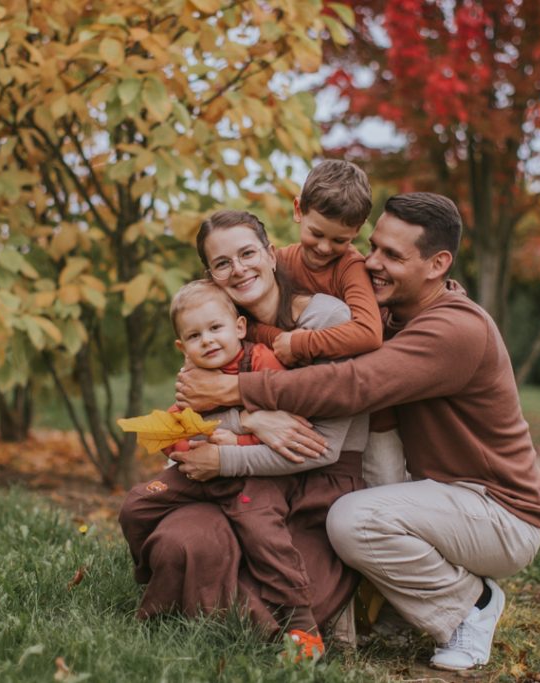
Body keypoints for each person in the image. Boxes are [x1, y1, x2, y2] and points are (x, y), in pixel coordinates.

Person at [175, 193, 540, 672]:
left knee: (353, 519)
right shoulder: (391, 311)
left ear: (438, 264)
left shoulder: (455, 329)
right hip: (437, 494)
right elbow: (267, 264)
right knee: (361, 499)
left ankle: (470, 604)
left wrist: (235, 389)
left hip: (496, 509)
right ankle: (400, 606)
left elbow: (354, 385)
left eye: (392, 256)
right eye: (373, 247)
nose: (369, 263)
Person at [119, 210, 369, 655]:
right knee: (183, 542)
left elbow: (320, 445)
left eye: (248, 253)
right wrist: (248, 421)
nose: (238, 269)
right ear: (210, 274)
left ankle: (292, 629)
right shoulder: (213, 326)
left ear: (271, 255)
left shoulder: (325, 319)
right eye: (222, 263)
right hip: (230, 473)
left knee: (279, 573)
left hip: (309, 481)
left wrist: (228, 448)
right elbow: (195, 409)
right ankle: (164, 588)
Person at [121, 279, 328, 657]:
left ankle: (303, 627)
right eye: (195, 336)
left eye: (216, 328)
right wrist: (182, 444)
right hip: (199, 470)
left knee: (267, 540)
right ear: (182, 347)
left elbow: (286, 424)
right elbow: (179, 420)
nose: (208, 341)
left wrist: (236, 442)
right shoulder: (193, 376)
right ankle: (148, 572)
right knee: (136, 505)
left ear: (239, 328)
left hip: (251, 476)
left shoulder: (261, 362)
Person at [249, 158, 405, 488]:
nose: (324, 247)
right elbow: (246, 323)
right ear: (298, 210)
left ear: (359, 230)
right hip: (303, 395)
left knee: (383, 486)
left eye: (339, 240)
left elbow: (368, 332)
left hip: (368, 411)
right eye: (316, 233)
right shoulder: (281, 263)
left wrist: (300, 344)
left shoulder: (350, 267)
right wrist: (280, 338)